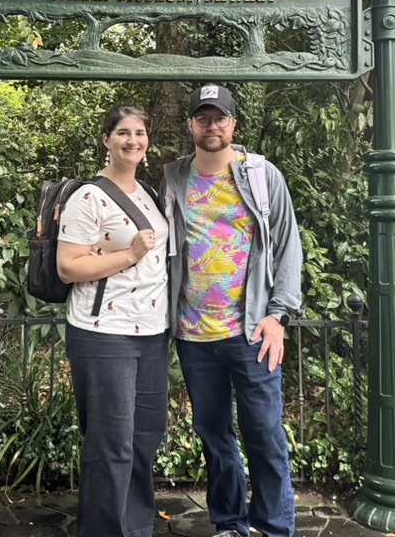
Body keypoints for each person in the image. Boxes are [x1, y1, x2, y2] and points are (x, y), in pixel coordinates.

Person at [161, 84, 303, 537]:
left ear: (233, 124)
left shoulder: (261, 175)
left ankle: (274, 528)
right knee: (213, 435)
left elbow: (287, 247)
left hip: (251, 334)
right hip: (193, 335)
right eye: (203, 117)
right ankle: (229, 523)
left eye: (219, 117)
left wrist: (278, 316)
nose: (212, 125)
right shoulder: (173, 178)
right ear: (191, 125)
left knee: (264, 435)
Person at [57, 104, 169, 537]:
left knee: (145, 435)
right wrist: (129, 255)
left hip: (151, 333)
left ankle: (136, 527)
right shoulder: (88, 197)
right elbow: (69, 267)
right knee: (111, 443)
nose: (132, 140)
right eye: (123, 132)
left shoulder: (149, 194)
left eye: (139, 132)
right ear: (106, 139)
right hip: (104, 334)